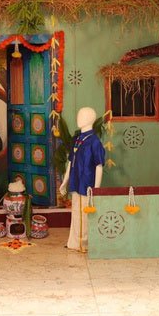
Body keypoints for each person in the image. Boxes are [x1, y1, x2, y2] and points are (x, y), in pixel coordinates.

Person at [58, 107, 105, 253]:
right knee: (76, 212)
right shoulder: (77, 139)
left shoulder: (94, 141)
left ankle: (84, 244)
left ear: (90, 119)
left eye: (82, 115)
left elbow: (99, 166)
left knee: (85, 215)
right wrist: (65, 181)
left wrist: (96, 189)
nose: (79, 118)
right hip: (75, 181)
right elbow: (70, 162)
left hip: (87, 184)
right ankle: (74, 242)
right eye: (79, 115)